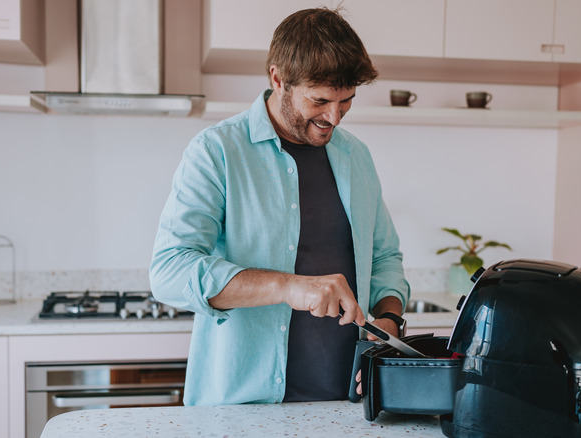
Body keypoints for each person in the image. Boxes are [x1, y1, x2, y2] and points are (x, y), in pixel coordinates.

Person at [150, 6, 410, 406]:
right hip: (241, 411)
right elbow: (169, 270)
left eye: (347, 101)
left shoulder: (356, 157)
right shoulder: (217, 151)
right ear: (278, 78)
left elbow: (384, 256)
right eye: (320, 100)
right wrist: (288, 287)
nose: (335, 118)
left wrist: (388, 321)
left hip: (345, 407)